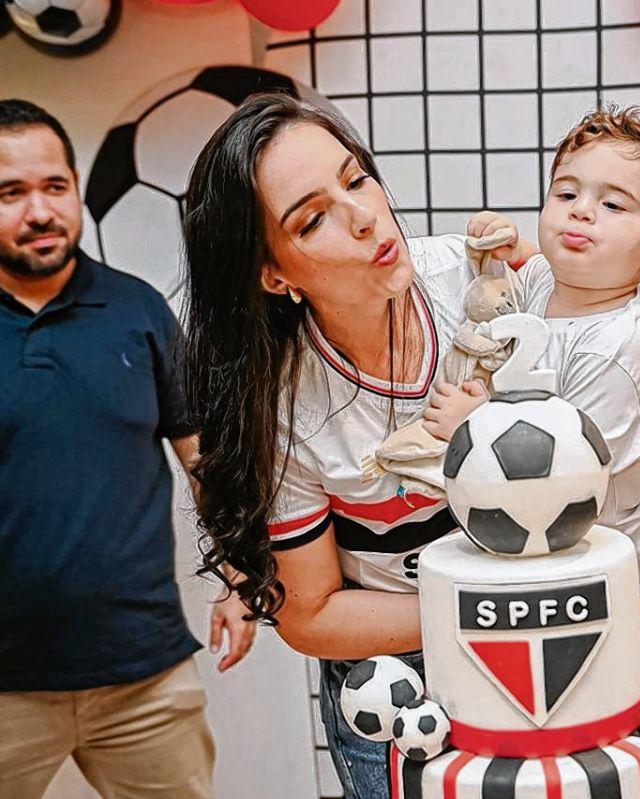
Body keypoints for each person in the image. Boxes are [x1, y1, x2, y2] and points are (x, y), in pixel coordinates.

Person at [181, 93, 493, 799]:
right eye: (312, 218)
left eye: (356, 179)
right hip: (395, 675)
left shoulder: (475, 282)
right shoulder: (282, 407)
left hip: (533, 636)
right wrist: (489, 605)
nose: (364, 216)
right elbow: (311, 614)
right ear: (274, 274)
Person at [0, 99, 254, 799]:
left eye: (54, 186)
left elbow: (202, 462)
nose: (40, 211)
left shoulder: (137, 311)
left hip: (144, 676)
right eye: (10, 193)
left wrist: (240, 575)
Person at [424, 106, 640, 582]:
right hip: (534, 539)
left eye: (613, 205)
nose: (581, 210)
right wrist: (505, 246)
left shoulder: (618, 343)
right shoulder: (544, 280)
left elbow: (569, 466)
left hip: (593, 563)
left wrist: (474, 428)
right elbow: (529, 263)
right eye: (567, 193)